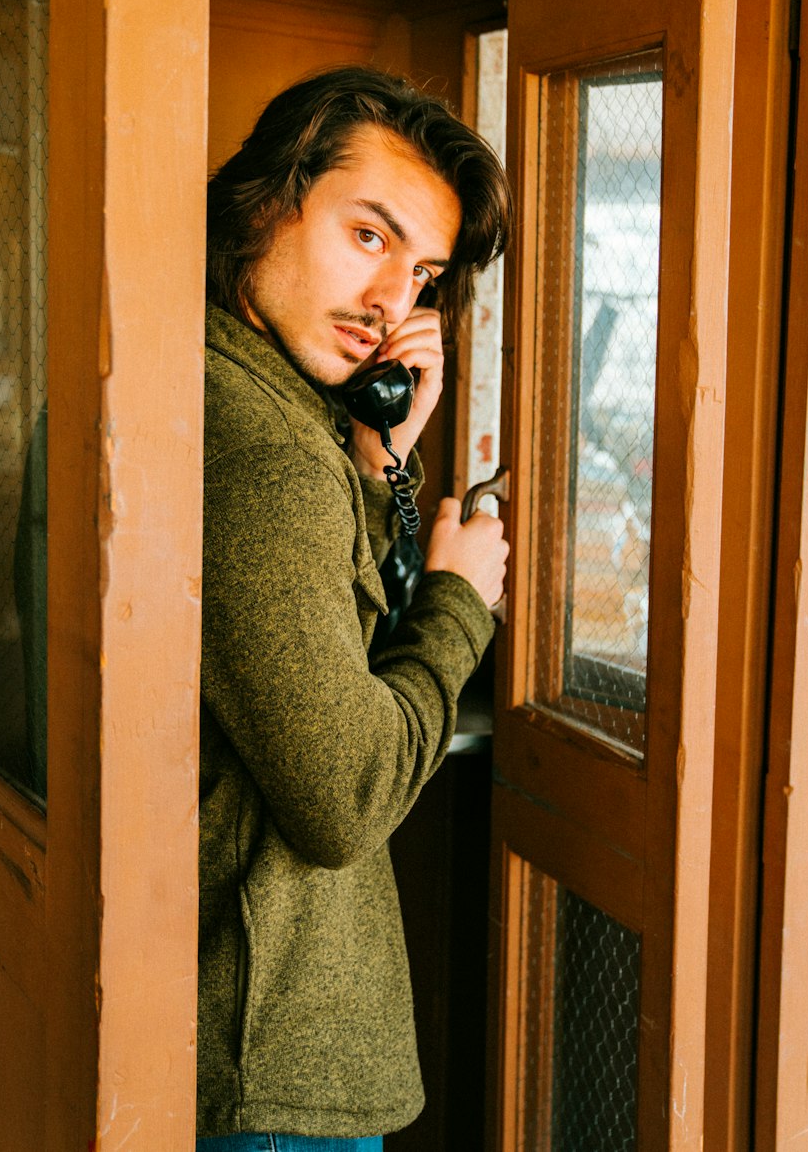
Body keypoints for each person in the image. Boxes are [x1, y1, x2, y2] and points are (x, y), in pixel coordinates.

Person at [197, 66, 512, 1151]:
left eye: (421, 273)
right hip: (271, 1063)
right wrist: (463, 599)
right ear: (261, 204)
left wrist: (383, 450)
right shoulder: (265, 446)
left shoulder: (247, 390)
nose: (394, 305)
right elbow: (342, 797)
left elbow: (330, 635)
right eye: (369, 236)